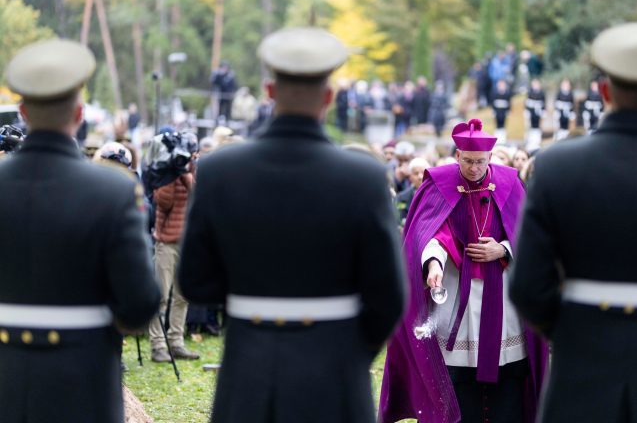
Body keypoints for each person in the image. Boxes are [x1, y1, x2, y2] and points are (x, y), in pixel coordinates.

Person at [178, 27, 405, 423]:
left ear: (269, 91)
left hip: (248, 365)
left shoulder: (219, 171)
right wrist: (348, 349)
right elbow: (388, 295)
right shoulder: (363, 177)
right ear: (329, 97)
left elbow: (197, 281)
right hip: (336, 374)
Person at [511, 22, 637, 423]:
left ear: (604, 91)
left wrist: (575, 329)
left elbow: (527, 286)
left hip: (581, 366)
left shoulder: (557, 166)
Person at [0, 39, 160, 422]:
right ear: (79, 112)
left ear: (22, 112)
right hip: (83, 380)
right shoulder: (114, 189)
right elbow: (138, 305)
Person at [380, 118, 548, 423]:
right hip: (457, 292)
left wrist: (503, 249)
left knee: (506, 372)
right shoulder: (439, 183)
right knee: (457, 374)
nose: (474, 168)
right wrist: (434, 264)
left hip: (502, 296)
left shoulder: (510, 182)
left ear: (490, 158)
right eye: (468, 161)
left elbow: (529, 233)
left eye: (480, 162)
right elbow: (430, 234)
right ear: (458, 156)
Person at [147, 131, 200, 363]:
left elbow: (199, 198)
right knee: (160, 296)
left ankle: (176, 341)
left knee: (182, 296)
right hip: (166, 243)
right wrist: (172, 173)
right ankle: (158, 345)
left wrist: (186, 173)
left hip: (187, 244)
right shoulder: (164, 173)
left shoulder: (194, 172)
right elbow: (163, 202)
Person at [395, 157, 429, 225]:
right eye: (416, 173)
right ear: (410, 176)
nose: (420, 176)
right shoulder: (401, 197)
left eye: (423, 172)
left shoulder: (436, 197)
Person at [524, 79, 546, 149]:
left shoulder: (542, 93)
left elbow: (543, 103)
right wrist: (526, 111)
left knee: (537, 127)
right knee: (530, 127)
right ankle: (530, 141)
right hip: (531, 113)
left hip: (538, 113)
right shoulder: (530, 92)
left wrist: (543, 111)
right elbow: (527, 103)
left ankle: (537, 142)